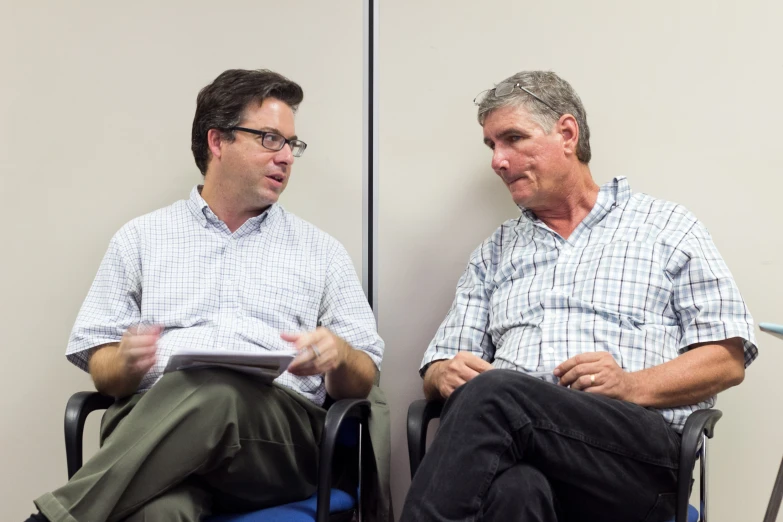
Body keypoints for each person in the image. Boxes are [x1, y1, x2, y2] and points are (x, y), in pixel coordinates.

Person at [26, 69, 384, 522]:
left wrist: (339, 355)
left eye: (291, 144)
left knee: (217, 390)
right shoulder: (140, 238)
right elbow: (103, 372)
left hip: (276, 444)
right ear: (217, 142)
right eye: (271, 139)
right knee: (158, 514)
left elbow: (364, 377)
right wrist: (125, 362)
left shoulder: (322, 251)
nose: (287, 157)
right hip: (154, 431)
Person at [400, 71, 757, 522]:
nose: (497, 160)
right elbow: (439, 367)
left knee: (494, 395)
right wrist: (442, 374)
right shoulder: (494, 253)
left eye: (512, 138)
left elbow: (727, 358)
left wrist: (632, 385)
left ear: (567, 134)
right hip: (519, 459)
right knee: (515, 492)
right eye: (491, 145)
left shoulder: (667, 227)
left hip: (630, 459)